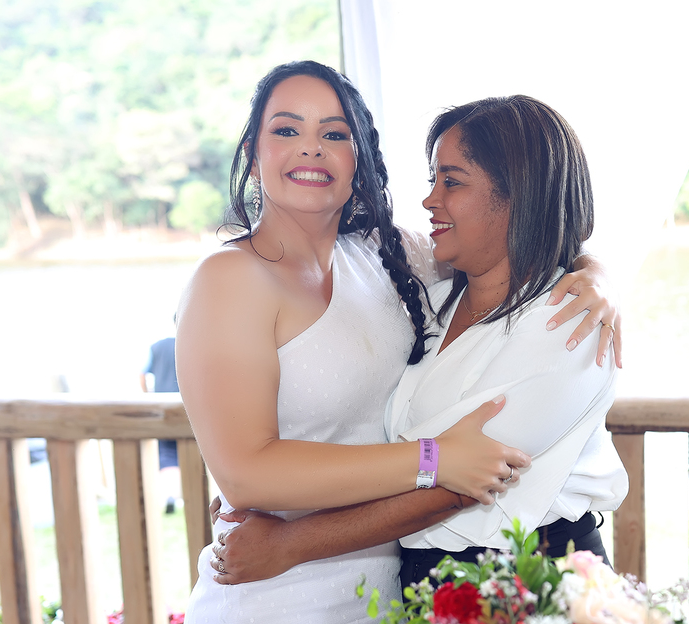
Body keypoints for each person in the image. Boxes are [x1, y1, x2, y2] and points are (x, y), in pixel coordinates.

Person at [177, 62, 619, 624]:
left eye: (334, 133)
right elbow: (245, 473)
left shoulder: (391, 256)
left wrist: (596, 274)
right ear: (253, 150)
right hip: (280, 598)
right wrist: (434, 458)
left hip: (388, 593)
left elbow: (523, 237)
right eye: (286, 129)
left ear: (360, 155)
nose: (310, 148)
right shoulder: (229, 280)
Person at [217, 95, 627, 593]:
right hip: (424, 583)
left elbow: (459, 487)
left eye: (452, 182)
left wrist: (289, 541)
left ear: (520, 194)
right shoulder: (429, 301)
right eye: (434, 180)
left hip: (533, 581)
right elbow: (386, 437)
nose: (431, 200)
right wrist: (276, 494)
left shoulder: (567, 323)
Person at [141, 327, 180, 513]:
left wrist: (148, 396)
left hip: (162, 407)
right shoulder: (192, 343)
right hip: (187, 406)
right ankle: (185, 495)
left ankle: (171, 495)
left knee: (167, 454)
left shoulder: (156, 347)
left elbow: (142, 374)